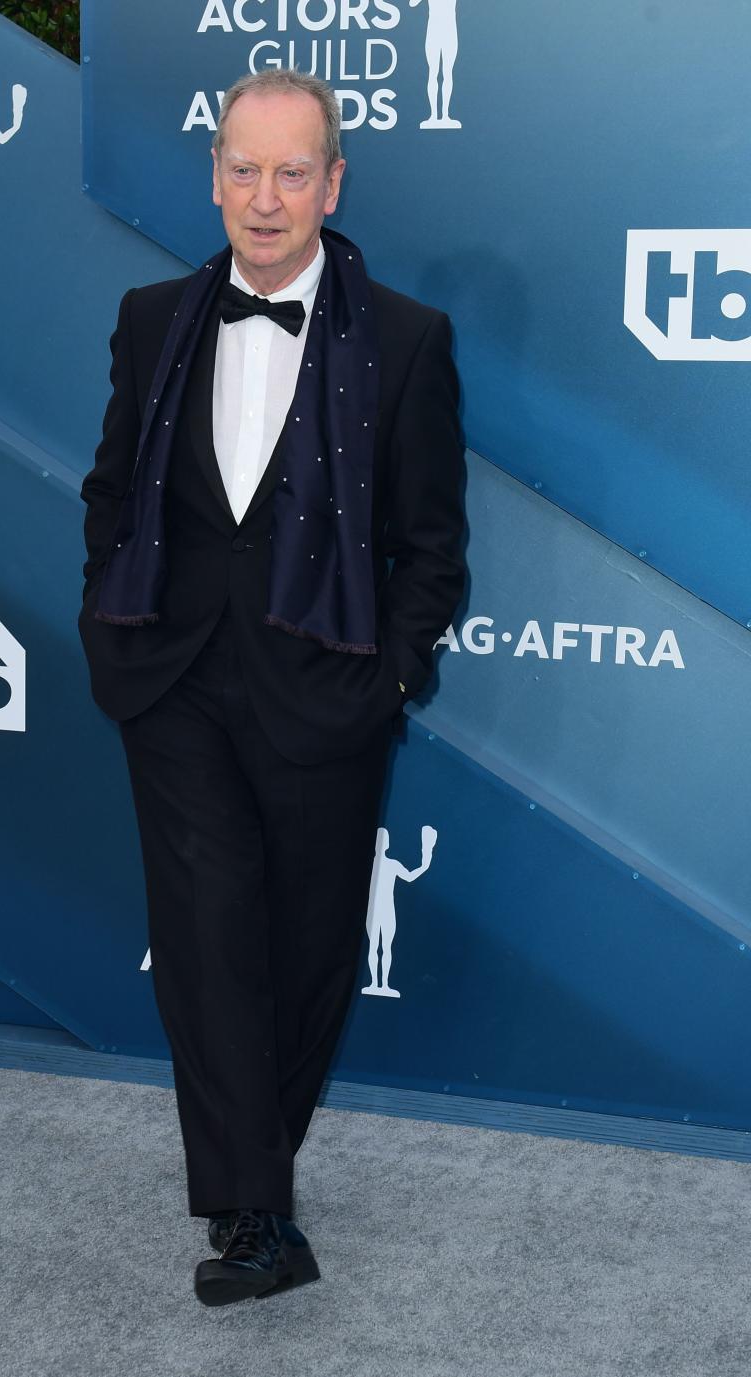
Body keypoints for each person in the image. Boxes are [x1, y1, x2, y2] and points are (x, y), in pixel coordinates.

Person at [77, 67, 467, 1307]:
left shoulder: (404, 339)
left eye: (292, 171)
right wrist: (109, 626)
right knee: (203, 944)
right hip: (175, 676)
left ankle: (259, 1171)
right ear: (214, 176)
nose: (264, 196)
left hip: (327, 690)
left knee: (302, 954)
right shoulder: (152, 318)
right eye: (243, 168)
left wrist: (391, 676)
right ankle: (254, 1217)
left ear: (333, 182)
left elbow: (433, 546)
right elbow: (108, 492)